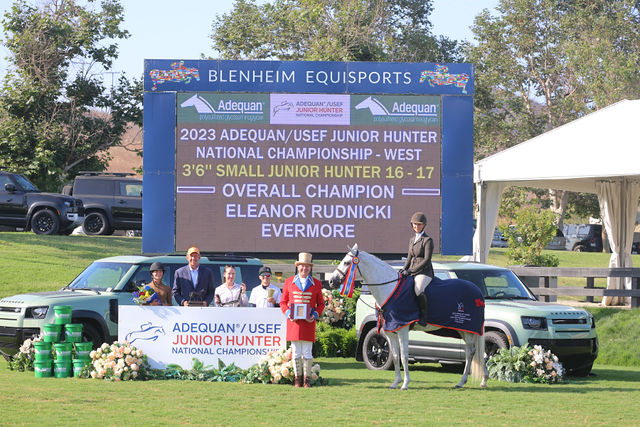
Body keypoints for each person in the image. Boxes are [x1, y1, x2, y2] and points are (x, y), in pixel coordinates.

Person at [279, 252, 325, 388]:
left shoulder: (316, 283)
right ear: (297, 267)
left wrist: (315, 315)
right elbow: (283, 302)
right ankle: (297, 379)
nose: (304, 269)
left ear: (310, 268)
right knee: (296, 352)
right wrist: (288, 313)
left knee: (307, 352)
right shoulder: (289, 282)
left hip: (308, 323)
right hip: (294, 323)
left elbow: (321, 304)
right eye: (302, 266)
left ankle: (307, 380)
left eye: (307, 266)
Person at [401, 212, 434, 326]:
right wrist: (403, 269)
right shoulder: (412, 239)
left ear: (424, 225)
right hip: (412, 271)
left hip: (424, 272)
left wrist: (411, 270)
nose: (416, 226)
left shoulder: (427, 240)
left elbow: (426, 260)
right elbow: (409, 257)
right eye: (414, 224)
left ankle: (424, 316)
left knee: (418, 289)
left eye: (419, 224)